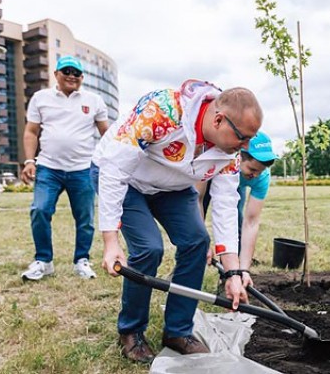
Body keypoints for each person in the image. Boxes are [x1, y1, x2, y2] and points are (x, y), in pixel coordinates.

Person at [91, 80, 262, 363]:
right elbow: (114, 168)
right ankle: (131, 331)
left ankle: (178, 330)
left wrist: (232, 273)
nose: (245, 147)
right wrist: (110, 241)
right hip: (126, 180)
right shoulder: (163, 111)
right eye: (242, 138)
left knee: (197, 241)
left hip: (172, 188)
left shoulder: (230, 154)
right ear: (219, 119)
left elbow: (225, 206)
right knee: (149, 248)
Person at [20, 55, 109, 281]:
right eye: (66, 71)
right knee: (40, 210)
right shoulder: (41, 98)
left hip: (83, 168)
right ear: (56, 74)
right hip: (49, 168)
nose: (71, 76)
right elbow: (31, 132)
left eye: (76, 73)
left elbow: (106, 134)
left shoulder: (95, 100)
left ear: (82, 77)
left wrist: (110, 163)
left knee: (85, 218)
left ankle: (82, 260)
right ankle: (43, 261)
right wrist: (30, 161)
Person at [196, 131, 278, 287]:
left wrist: (244, 270)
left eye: (260, 171)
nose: (256, 175)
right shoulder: (219, 157)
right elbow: (196, 199)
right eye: (252, 170)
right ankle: (186, 268)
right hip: (209, 177)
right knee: (194, 225)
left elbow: (251, 222)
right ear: (239, 156)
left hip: (234, 187)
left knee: (236, 222)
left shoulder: (261, 177)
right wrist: (202, 240)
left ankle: (229, 274)